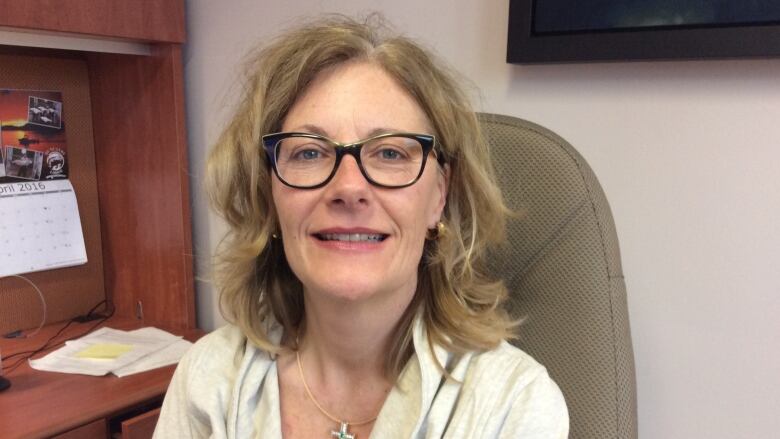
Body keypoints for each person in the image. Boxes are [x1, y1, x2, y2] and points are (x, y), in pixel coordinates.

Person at [155, 14, 568, 439]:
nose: (349, 188)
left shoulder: (512, 404)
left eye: (390, 154)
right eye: (309, 153)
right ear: (270, 196)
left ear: (439, 197)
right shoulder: (207, 382)